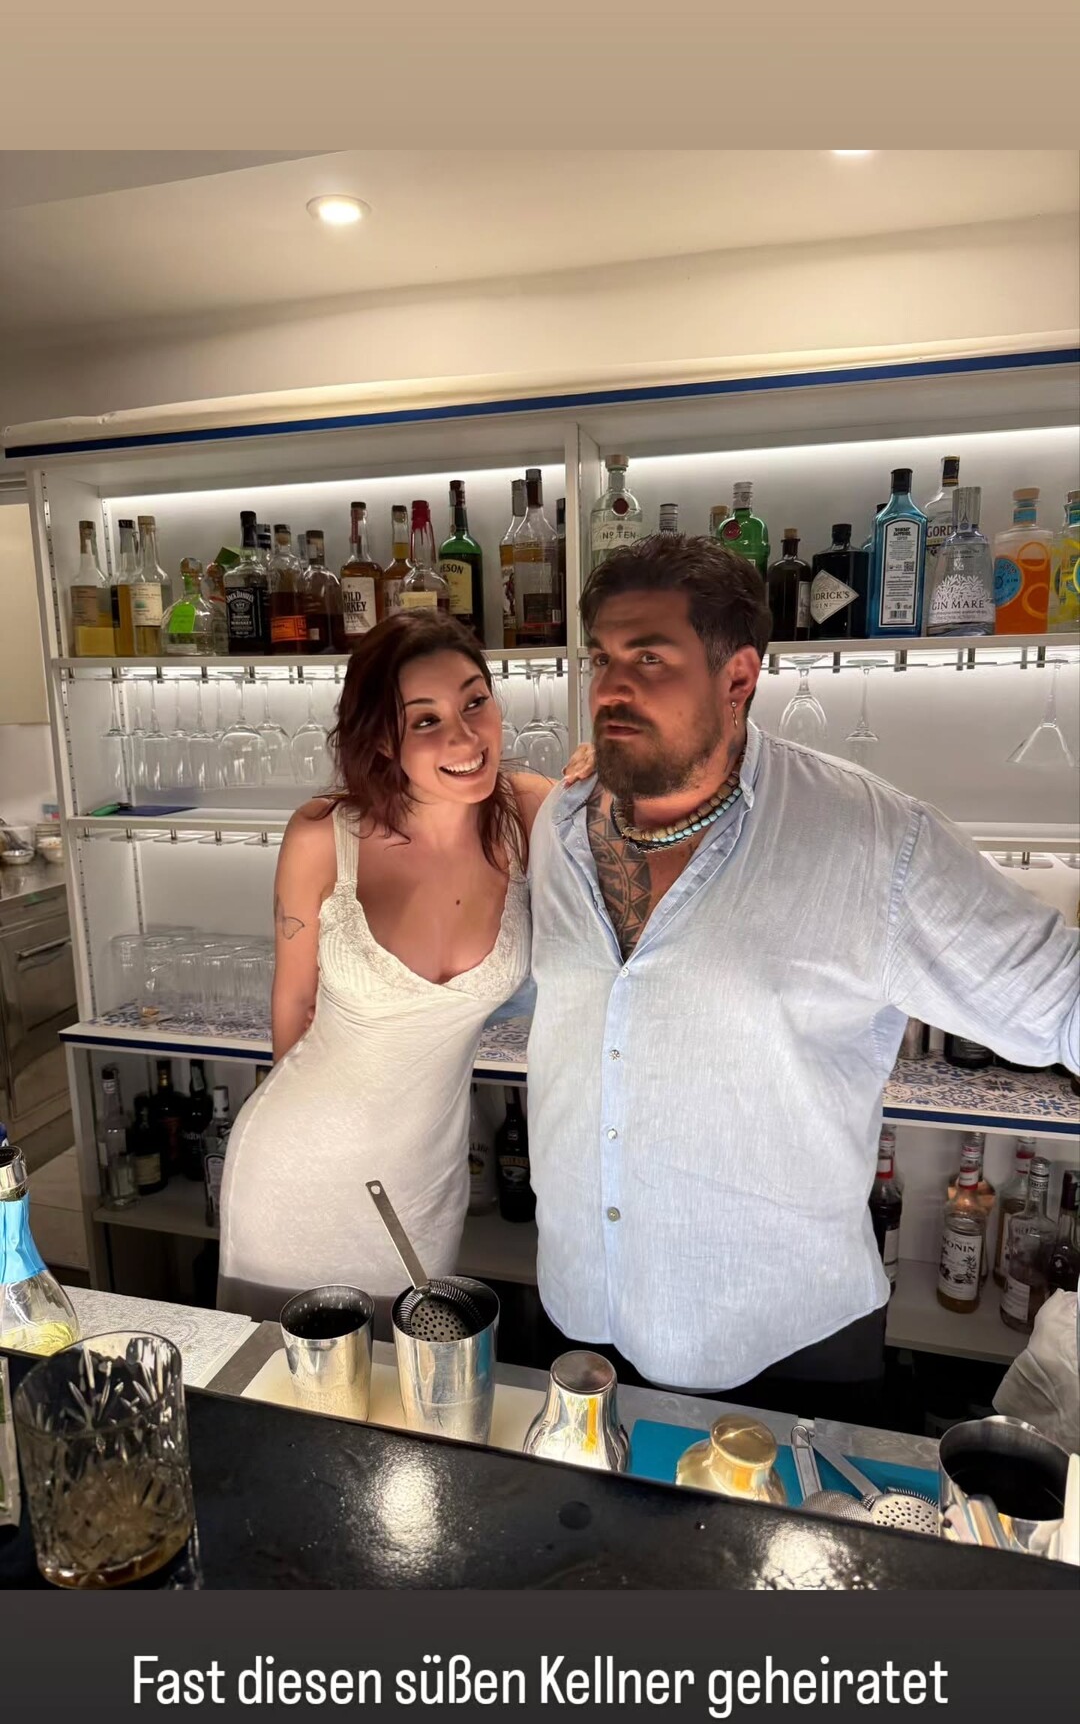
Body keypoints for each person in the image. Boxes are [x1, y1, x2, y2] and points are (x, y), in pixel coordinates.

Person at [526, 534, 1080, 1410]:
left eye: (650, 658)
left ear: (738, 676)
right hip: (579, 1309)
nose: (610, 690)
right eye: (602, 659)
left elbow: (1063, 999)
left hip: (783, 1342)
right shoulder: (557, 827)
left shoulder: (871, 840)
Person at [217, 614, 590, 1322]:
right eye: (425, 720)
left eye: (475, 701)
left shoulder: (531, 812)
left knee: (411, 1378)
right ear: (384, 739)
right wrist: (334, 1141)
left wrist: (612, 777)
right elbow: (292, 1007)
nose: (465, 737)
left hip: (424, 1182)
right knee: (286, 1379)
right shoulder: (323, 836)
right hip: (297, 1171)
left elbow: (639, 873)